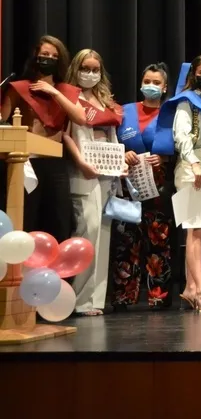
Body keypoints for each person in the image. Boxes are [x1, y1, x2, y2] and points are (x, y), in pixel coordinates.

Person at [153, 54, 201, 314]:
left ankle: (190, 286)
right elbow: (181, 135)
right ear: (193, 74)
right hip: (192, 164)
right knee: (194, 230)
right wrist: (193, 163)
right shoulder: (187, 101)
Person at [2, 35, 85, 240]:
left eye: (55, 56)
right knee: (26, 217)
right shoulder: (19, 88)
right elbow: (2, 120)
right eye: (45, 54)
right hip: (25, 161)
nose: (49, 59)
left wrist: (53, 92)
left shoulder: (66, 90)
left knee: (58, 219)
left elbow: (80, 118)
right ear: (36, 57)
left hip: (55, 163)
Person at [62, 49, 125, 316]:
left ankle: (95, 300)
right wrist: (80, 163)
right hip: (84, 172)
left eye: (95, 69)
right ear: (76, 69)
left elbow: (112, 135)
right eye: (85, 69)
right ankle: (78, 299)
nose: (90, 74)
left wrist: (120, 163)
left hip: (107, 171)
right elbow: (65, 135)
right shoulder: (69, 97)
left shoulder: (104, 100)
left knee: (103, 235)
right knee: (87, 232)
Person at [113, 63, 174, 309]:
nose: (151, 86)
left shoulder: (170, 114)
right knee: (127, 240)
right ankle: (124, 296)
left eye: (156, 83)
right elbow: (109, 141)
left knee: (159, 240)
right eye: (147, 81)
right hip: (128, 182)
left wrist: (165, 158)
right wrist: (122, 152)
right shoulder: (124, 111)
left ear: (165, 87)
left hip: (157, 184)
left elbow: (180, 147)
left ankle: (158, 296)